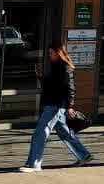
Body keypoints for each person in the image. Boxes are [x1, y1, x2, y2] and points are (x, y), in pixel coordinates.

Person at [19, 35, 92, 172]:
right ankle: (84, 155)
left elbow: (70, 88)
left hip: (56, 105)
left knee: (40, 133)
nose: (49, 55)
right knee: (65, 133)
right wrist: (42, 77)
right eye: (49, 53)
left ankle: (34, 164)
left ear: (58, 53)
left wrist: (70, 106)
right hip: (55, 105)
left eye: (51, 53)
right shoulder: (56, 67)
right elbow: (53, 86)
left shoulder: (64, 68)